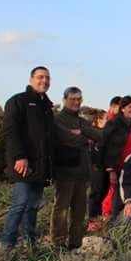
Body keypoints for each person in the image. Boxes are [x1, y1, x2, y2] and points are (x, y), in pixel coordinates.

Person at [0, 66, 55, 250]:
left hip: (41, 167)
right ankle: (7, 243)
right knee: (20, 203)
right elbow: (10, 131)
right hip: (23, 164)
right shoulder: (18, 101)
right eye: (40, 77)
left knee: (33, 205)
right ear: (31, 79)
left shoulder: (47, 106)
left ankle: (31, 243)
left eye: (47, 78)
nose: (44, 81)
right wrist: (19, 156)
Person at [51, 86, 102, 249]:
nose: (76, 102)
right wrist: (85, 138)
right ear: (64, 100)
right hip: (65, 171)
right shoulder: (57, 119)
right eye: (72, 99)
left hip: (82, 172)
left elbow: (98, 135)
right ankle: (58, 243)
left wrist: (80, 132)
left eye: (79, 99)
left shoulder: (81, 121)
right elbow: (65, 138)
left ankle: (75, 244)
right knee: (62, 209)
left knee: (80, 211)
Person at [99, 95, 131, 217]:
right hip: (118, 166)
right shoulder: (114, 124)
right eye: (130, 107)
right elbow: (106, 146)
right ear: (122, 108)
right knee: (118, 196)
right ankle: (114, 222)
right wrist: (110, 169)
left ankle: (128, 220)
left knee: (130, 195)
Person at [87, 109, 110, 231]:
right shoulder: (93, 133)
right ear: (99, 119)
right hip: (97, 167)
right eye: (106, 118)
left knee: (104, 193)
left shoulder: (106, 133)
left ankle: (99, 219)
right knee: (96, 193)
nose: (108, 120)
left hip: (106, 167)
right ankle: (92, 220)